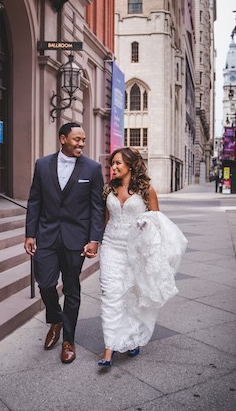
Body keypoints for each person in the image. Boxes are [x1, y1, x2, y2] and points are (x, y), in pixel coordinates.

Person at [98, 147, 187, 367]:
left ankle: (131, 337)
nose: (114, 167)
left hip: (135, 251)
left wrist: (145, 227)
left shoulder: (147, 191)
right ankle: (109, 348)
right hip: (110, 246)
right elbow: (107, 221)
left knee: (131, 295)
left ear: (131, 164)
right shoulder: (109, 189)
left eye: (118, 163)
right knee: (110, 294)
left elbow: (157, 224)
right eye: (112, 163)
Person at [25, 122, 105, 364]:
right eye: (76, 139)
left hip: (76, 239)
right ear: (62, 139)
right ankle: (56, 319)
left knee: (72, 289)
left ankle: (68, 340)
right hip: (47, 235)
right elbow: (34, 201)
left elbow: (97, 207)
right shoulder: (42, 164)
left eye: (83, 139)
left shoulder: (92, 168)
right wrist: (30, 233)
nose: (81, 143)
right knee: (46, 283)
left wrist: (94, 239)